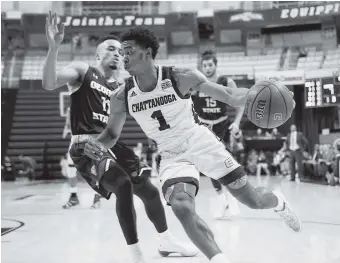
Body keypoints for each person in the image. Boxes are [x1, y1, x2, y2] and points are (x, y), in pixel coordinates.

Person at [85, 27, 302, 263]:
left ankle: (279, 202)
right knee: (181, 206)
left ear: (147, 53)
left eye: (129, 51)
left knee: (254, 201)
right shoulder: (121, 96)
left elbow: (229, 95)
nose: (124, 57)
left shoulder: (180, 77)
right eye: (122, 52)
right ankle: (219, 258)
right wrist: (96, 144)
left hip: (202, 143)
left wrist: (256, 94)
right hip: (171, 155)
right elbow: (111, 134)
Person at [43, 12, 197, 263]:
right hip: (87, 145)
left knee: (148, 190)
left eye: (120, 50)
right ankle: (135, 254)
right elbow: (49, 83)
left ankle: (166, 240)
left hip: (113, 144)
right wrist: (53, 48)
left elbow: (145, 112)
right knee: (123, 184)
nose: (117, 53)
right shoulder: (84, 71)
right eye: (111, 49)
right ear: (97, 55)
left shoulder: (122, 88)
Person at [191, 50, 242, 218]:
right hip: (204, 128)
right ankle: (222, 200)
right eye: (204, 65)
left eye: (210, 65)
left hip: (222, 125)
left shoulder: (226, 82)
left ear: (215, 65)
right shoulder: (196, 82)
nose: (207, 68)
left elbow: (240, 103)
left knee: (226, 163)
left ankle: (233, 199)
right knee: (210, 165)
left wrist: (237, 122)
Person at [61, 107, 102, 209]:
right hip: (76, 140)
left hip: (91, 139)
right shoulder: (71, 108)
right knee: (71, 169)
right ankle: (73, 196)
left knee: (93, 170)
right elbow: (68, 126)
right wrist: (67, 126)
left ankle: (96, 198)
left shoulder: (93, 104)